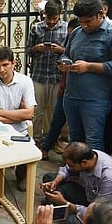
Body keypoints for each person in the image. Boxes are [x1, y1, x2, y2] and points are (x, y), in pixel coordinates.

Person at [61, 0, 112, 152]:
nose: (84, 25)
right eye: (81, 21)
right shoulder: (77, 32)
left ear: (100, 14)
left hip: (95, 100)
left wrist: (89, 67)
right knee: (75, 141)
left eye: (88, 21)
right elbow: (66, 54)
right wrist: (64, 63)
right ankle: (76, 175)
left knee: (93, 142)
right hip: (71, 96)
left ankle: (96, 176)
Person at [41, 142, 112, 224]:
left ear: (84, 163)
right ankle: (63, 209)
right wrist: (55, 182)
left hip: (105, 212)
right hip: (90, 195)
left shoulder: (111, 178)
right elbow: (67, 169)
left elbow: (97, 211)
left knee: (72, 222)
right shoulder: (90, 156)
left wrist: (64, 202)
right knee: (49, 178)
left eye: (72, 166)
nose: (70, 167)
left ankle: (64, 210)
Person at [0, 45, 37, 191]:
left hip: (19, 130)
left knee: (28, 147)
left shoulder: (25, 82)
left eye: (5, 65)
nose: (1, 70)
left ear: (13, 64)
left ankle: (21, 176)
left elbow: (30, 113)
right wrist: (16, 116)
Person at [26, 0, 67, 146]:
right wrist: (37, 48)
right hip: (39, 76)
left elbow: (70, 52)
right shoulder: (36, 28)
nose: (50, 21)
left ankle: (50, 140)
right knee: (38, 111)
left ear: (60, 15)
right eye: (48, 18)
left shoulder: (66, 29)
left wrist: (61, 50)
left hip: (57, 77)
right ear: (44, 14)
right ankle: (36, 139)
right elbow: (27, 50)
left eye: (54, 18)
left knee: (54, 112)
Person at [40, 18, 78, 159]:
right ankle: (45, 147)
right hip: (65, 89)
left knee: (74, 128)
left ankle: (72, 159)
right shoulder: (71, 41)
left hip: (81, 93)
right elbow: (65, 56)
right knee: (57, 121)